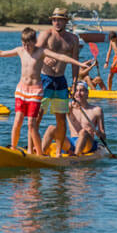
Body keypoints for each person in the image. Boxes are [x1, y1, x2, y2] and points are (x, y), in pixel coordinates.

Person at [0, 27, 88, 155]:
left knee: (31, 125)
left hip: (35, 91)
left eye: (28, 44)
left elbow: (61, 57)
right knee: (17, 121)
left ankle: (39, 154)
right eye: (24, 44)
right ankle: (13, 149)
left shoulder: (41, 52)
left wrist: (79, 64)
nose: (26, 47)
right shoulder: (20, 50)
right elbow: (0, 53)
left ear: (34, 41)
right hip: (21, 90)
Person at [34, 8, 81, 157]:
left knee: (61, 118)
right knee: (38, 115)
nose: (56, 22)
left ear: (66, 21)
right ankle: (34, 148)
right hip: (44, 79)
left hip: (60, 80)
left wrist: (74, 83)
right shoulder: (46, 34)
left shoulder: (73, 39)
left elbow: (75, 63)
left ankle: (59, 152)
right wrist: (43, 57)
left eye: (60, 19)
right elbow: (34, 51)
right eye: (54, 19)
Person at [41, 81, 106, 156]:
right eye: (76, 91)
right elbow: (57, 107)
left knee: (83, 132)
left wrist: (99, 133)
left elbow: (103, 136)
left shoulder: (96, 110)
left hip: (88, 144)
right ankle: (41, 153)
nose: (78, 93)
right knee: (51, 128)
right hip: (71, 142)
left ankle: (75, 156)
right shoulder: (69, 107)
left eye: (81, 90)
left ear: (87, 93)